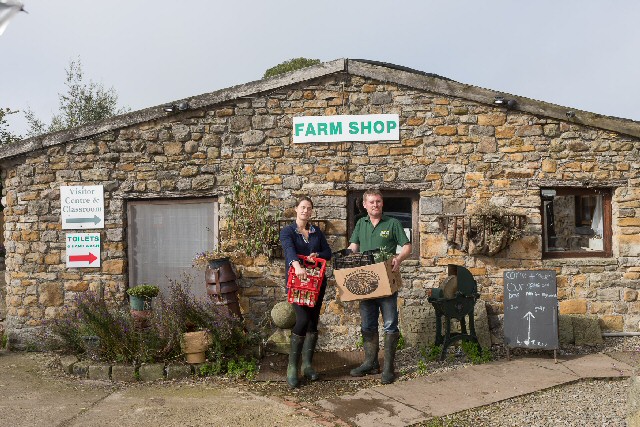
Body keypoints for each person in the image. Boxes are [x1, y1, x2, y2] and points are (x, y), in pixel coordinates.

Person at [347, 189, 411, 384]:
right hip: (366, 281)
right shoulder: (360, 223)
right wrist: (348, 257)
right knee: (368, 323)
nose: (375, 205)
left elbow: (407, 246)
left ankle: (389, 368)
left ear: (382, 204)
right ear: (365, 205)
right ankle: (370, 362)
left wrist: (399, 258)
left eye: (378, 202)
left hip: (386, 281)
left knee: (390, 323)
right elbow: (353, 246)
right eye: (372, 202)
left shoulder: (392, 223)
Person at [279, 196, 332, 388]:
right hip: (297, 282)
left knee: (312, 322)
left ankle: (308, 366)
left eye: (309, 208)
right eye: (302, 207)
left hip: (316, 283)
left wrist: (317, 254)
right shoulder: (287, 231)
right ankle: (292, 367)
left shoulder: (316, 232)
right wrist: (296, 265)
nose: (305, 211)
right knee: (301, 319)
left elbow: (328, 253)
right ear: (296, 209)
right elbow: (288, 249)